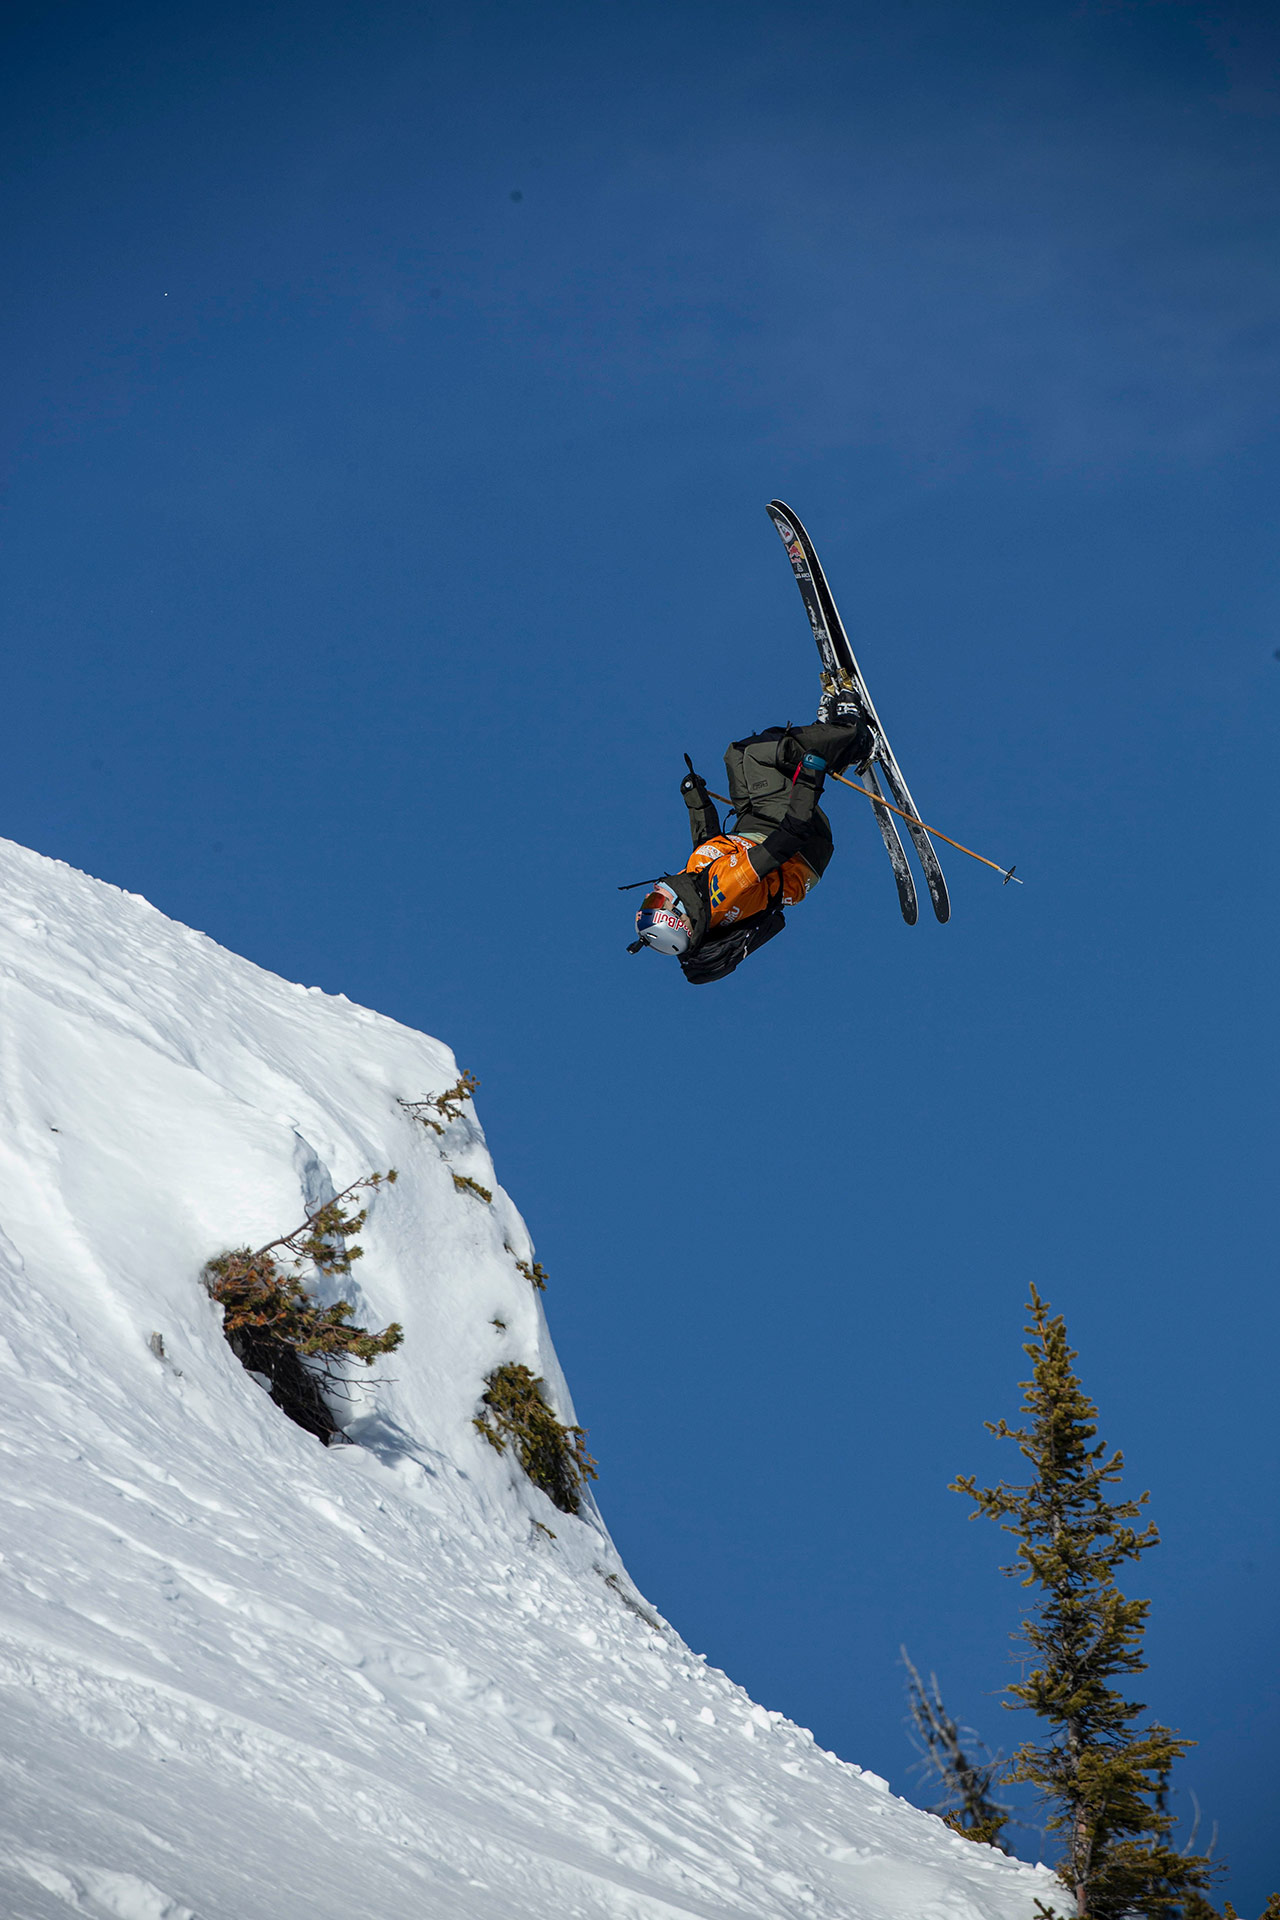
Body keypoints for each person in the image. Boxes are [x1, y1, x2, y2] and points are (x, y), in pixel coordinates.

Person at [631, 688, 875, 984]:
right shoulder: (726, 887)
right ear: (678, 919)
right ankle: (856, 735)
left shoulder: (696, 892)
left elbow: (709, 850)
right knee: (761, 755)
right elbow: (790, 836)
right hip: (801, 846)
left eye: (649, 901)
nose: (652, 895)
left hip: (755, 827)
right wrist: (810, 779)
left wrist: (696, 801)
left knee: (736, 755)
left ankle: (832, 743)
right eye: (655, 904)